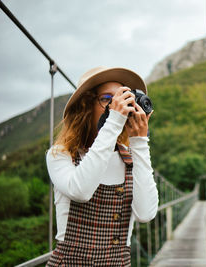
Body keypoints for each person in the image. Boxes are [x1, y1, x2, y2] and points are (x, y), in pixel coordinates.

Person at [45, 66, 158, 266]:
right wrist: (113, 122)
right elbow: (81, 191)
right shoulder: (61, 154)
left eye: (123, 100)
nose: (118, 107)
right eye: (108, 99)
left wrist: (139, 142)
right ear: (86, 106)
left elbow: (146, 214)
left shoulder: (131, 159)